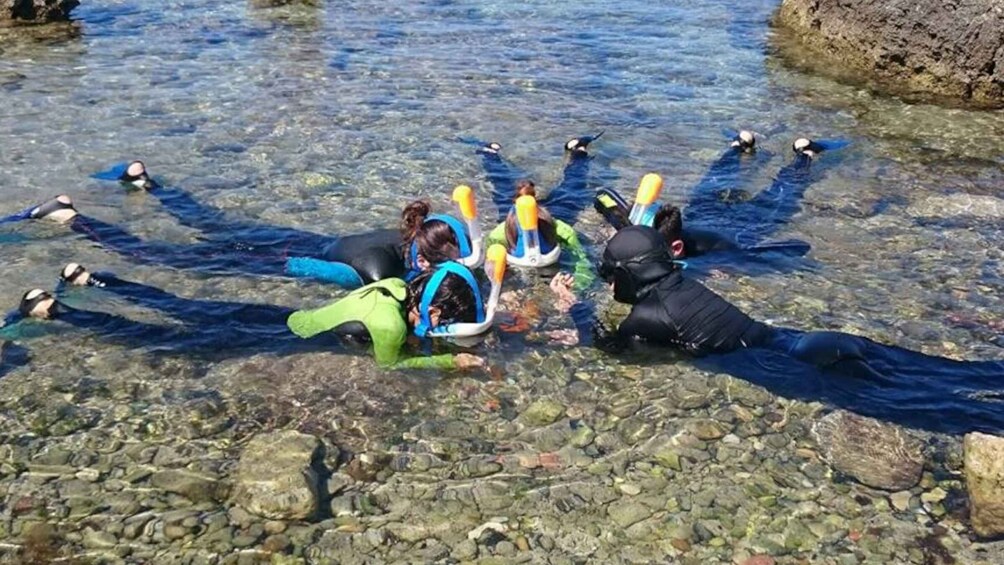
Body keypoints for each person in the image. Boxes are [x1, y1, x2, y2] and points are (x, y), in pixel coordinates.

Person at [548, 226, 1004, 434]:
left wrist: (573, 311)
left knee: (949, 412)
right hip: (804, 341)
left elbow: (611, 349)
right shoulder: (683, 284)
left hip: (796, 366)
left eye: (612, 278)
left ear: (629, 276)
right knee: (958, 375)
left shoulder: (647, 318)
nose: (610, 285)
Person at [8, 262, 489, 370]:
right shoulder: (392, 326)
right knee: (156, 338)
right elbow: (391, 365)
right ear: (437, 309)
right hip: (273, 341)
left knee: (177, 306)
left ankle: (91, 281)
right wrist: (450, 362)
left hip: (275, 316)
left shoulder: (394, 287)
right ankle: (63, 313)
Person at [14, 190, 473, 288]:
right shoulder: (382, 269)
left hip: (309, 238)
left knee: (214, 221)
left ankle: (145, 183)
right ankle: (75, 221)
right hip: (286, 258)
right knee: (165, 256)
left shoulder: (410, 232)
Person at [594, 135, 836, 263]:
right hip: (702, 215)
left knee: (781, 196)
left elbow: (794, 248)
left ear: (676, 250)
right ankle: (739, 145)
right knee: (710, 184)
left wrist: (721, 268)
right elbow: (604, 197)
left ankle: (806, 154)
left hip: (740, 228)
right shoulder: (641, 230)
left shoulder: (722, 251)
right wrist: (619, 228)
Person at [486, 180, 594, 289]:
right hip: (511, 222)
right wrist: (505, 288)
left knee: (573, 182)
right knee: (499, 190)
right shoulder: (498, 236)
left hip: (557, 214)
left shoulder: (563, 232)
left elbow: (583, 265)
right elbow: (489, 267)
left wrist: (575, 289)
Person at [478, 134, 600, 225]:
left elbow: (494, 239)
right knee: (573, 184)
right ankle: (578, 151)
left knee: (502, 184)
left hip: (533, 214)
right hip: (551, 214)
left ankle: (490, 154)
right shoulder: (559, 227)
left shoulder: (505, 226)